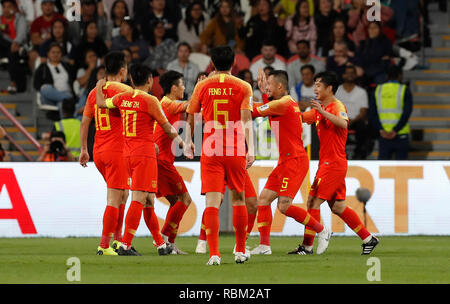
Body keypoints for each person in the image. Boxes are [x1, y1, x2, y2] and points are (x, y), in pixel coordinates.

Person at [95, 63, 186, 256]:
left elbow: (102, 104)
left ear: (131, 80)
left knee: (148, 200)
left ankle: (160, 244)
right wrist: (181, 142)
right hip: (145, 154)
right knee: (140, 198)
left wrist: (98, 86)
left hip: (127, 154)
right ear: (149, 80)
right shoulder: (151, 100)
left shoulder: (122, 97)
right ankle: (125, 244)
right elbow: (167, 127)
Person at [291, 71, 379, 255]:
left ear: (329, 88)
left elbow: (344, 123)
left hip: (333, 164)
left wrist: (322, 112)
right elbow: (299, 118)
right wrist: (279, 109)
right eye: (314, 85)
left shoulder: (336, 105)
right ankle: (368, 238)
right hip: (329, 164)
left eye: (318, 85)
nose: (314, 88)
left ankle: (307, 247)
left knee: (313, 202)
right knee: (337, 206)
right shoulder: (319, 110)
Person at [184, 45, 255, 266]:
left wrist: (188, 142)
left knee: (212, 203)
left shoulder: (202, 86)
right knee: (238, 199)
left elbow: (191, 115)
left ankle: (214, 254)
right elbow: (246, 120)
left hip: (210, 149)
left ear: (212, 63)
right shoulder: (244, 86)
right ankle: (240, 251)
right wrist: (251, 149)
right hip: (235, 149)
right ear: (234, 62)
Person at [249, 69, 331, 256]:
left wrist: (236, 98)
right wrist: (262, 92)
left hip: (294, 161)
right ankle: (264, 246)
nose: (267, 87)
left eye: (269, 85)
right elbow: (266, 107)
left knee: (284, 206)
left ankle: (322, 230)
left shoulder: (284, 103)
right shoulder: (284, 103)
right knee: (263, 200)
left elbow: (255, 110)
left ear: (280, 86)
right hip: (285, 160)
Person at [79, 51, 133, 256]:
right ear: (122, 71)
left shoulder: (95, 92)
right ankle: (104, 245)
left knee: (123, 194)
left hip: (98, 151)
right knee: (114, 197)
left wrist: (84, 149)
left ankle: (118, 241)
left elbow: (85, 122)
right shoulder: (124, 90)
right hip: (116, 150)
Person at [152, 70, 193, 254]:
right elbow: (190, 105)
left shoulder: (164, 104)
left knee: (176, 201)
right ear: (174, 87)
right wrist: (203, 88)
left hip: (160, 160)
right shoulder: (168, 104)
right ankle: (164, 239)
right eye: (182, 84)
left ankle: (168, 243)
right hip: (162, 162)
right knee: (185, 199)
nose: (184, 87)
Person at [369, 65, 412, 160]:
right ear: (400, 76)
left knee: (383, 170)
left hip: (383, 134)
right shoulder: (404, 89)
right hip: (401, 134)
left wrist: (381, 129)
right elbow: (406, 113)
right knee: (402, 169)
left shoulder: (378, 90)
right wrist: (395, 130)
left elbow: (372, 113)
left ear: (386, 76)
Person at [335, 65, 371, 159]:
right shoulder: (337, 91)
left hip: (356, 121)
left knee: (362, 126)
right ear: (343, 75)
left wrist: (352, 121)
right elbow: (334, 109)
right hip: (340, 120)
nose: (350, 75)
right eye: (348, 73)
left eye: (352, 73)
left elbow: (363, 112)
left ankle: (358, 154)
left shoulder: (361, 92)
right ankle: (338, 153)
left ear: (355, 75)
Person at [34, 43, 76, 118]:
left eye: (58, 52)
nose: (55, 54)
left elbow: (74, 80)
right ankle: (69, 98)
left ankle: (65, 129)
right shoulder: (43, 67)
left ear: (61, 54)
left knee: (62, 105)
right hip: (50, 97)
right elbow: (36, 84)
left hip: (64, 97)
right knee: (46, 88)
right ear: (48, 54)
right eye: (53, 52)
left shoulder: (67, 66)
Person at [0, 0, 28, 93]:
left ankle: (13, 83)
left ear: (14, 8)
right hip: (3, 47)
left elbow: (22, 35)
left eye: (9, 7)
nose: (6, 9)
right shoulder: (0, 19)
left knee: (13, 53)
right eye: (4, 7)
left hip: (17, 46)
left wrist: (15, 43)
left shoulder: (20, 19)